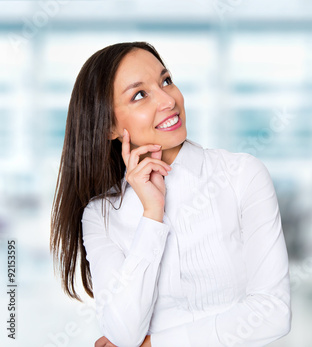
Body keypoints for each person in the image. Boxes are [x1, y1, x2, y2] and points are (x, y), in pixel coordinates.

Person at [50, 41, 291, 347]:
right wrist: (152, 215)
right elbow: (123, 334)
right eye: (140, 95)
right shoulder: (101, 215)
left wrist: (155, 344)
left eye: (166, 81)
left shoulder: (242, 175)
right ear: (109, 126)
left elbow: (272, 313)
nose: (168, 100)